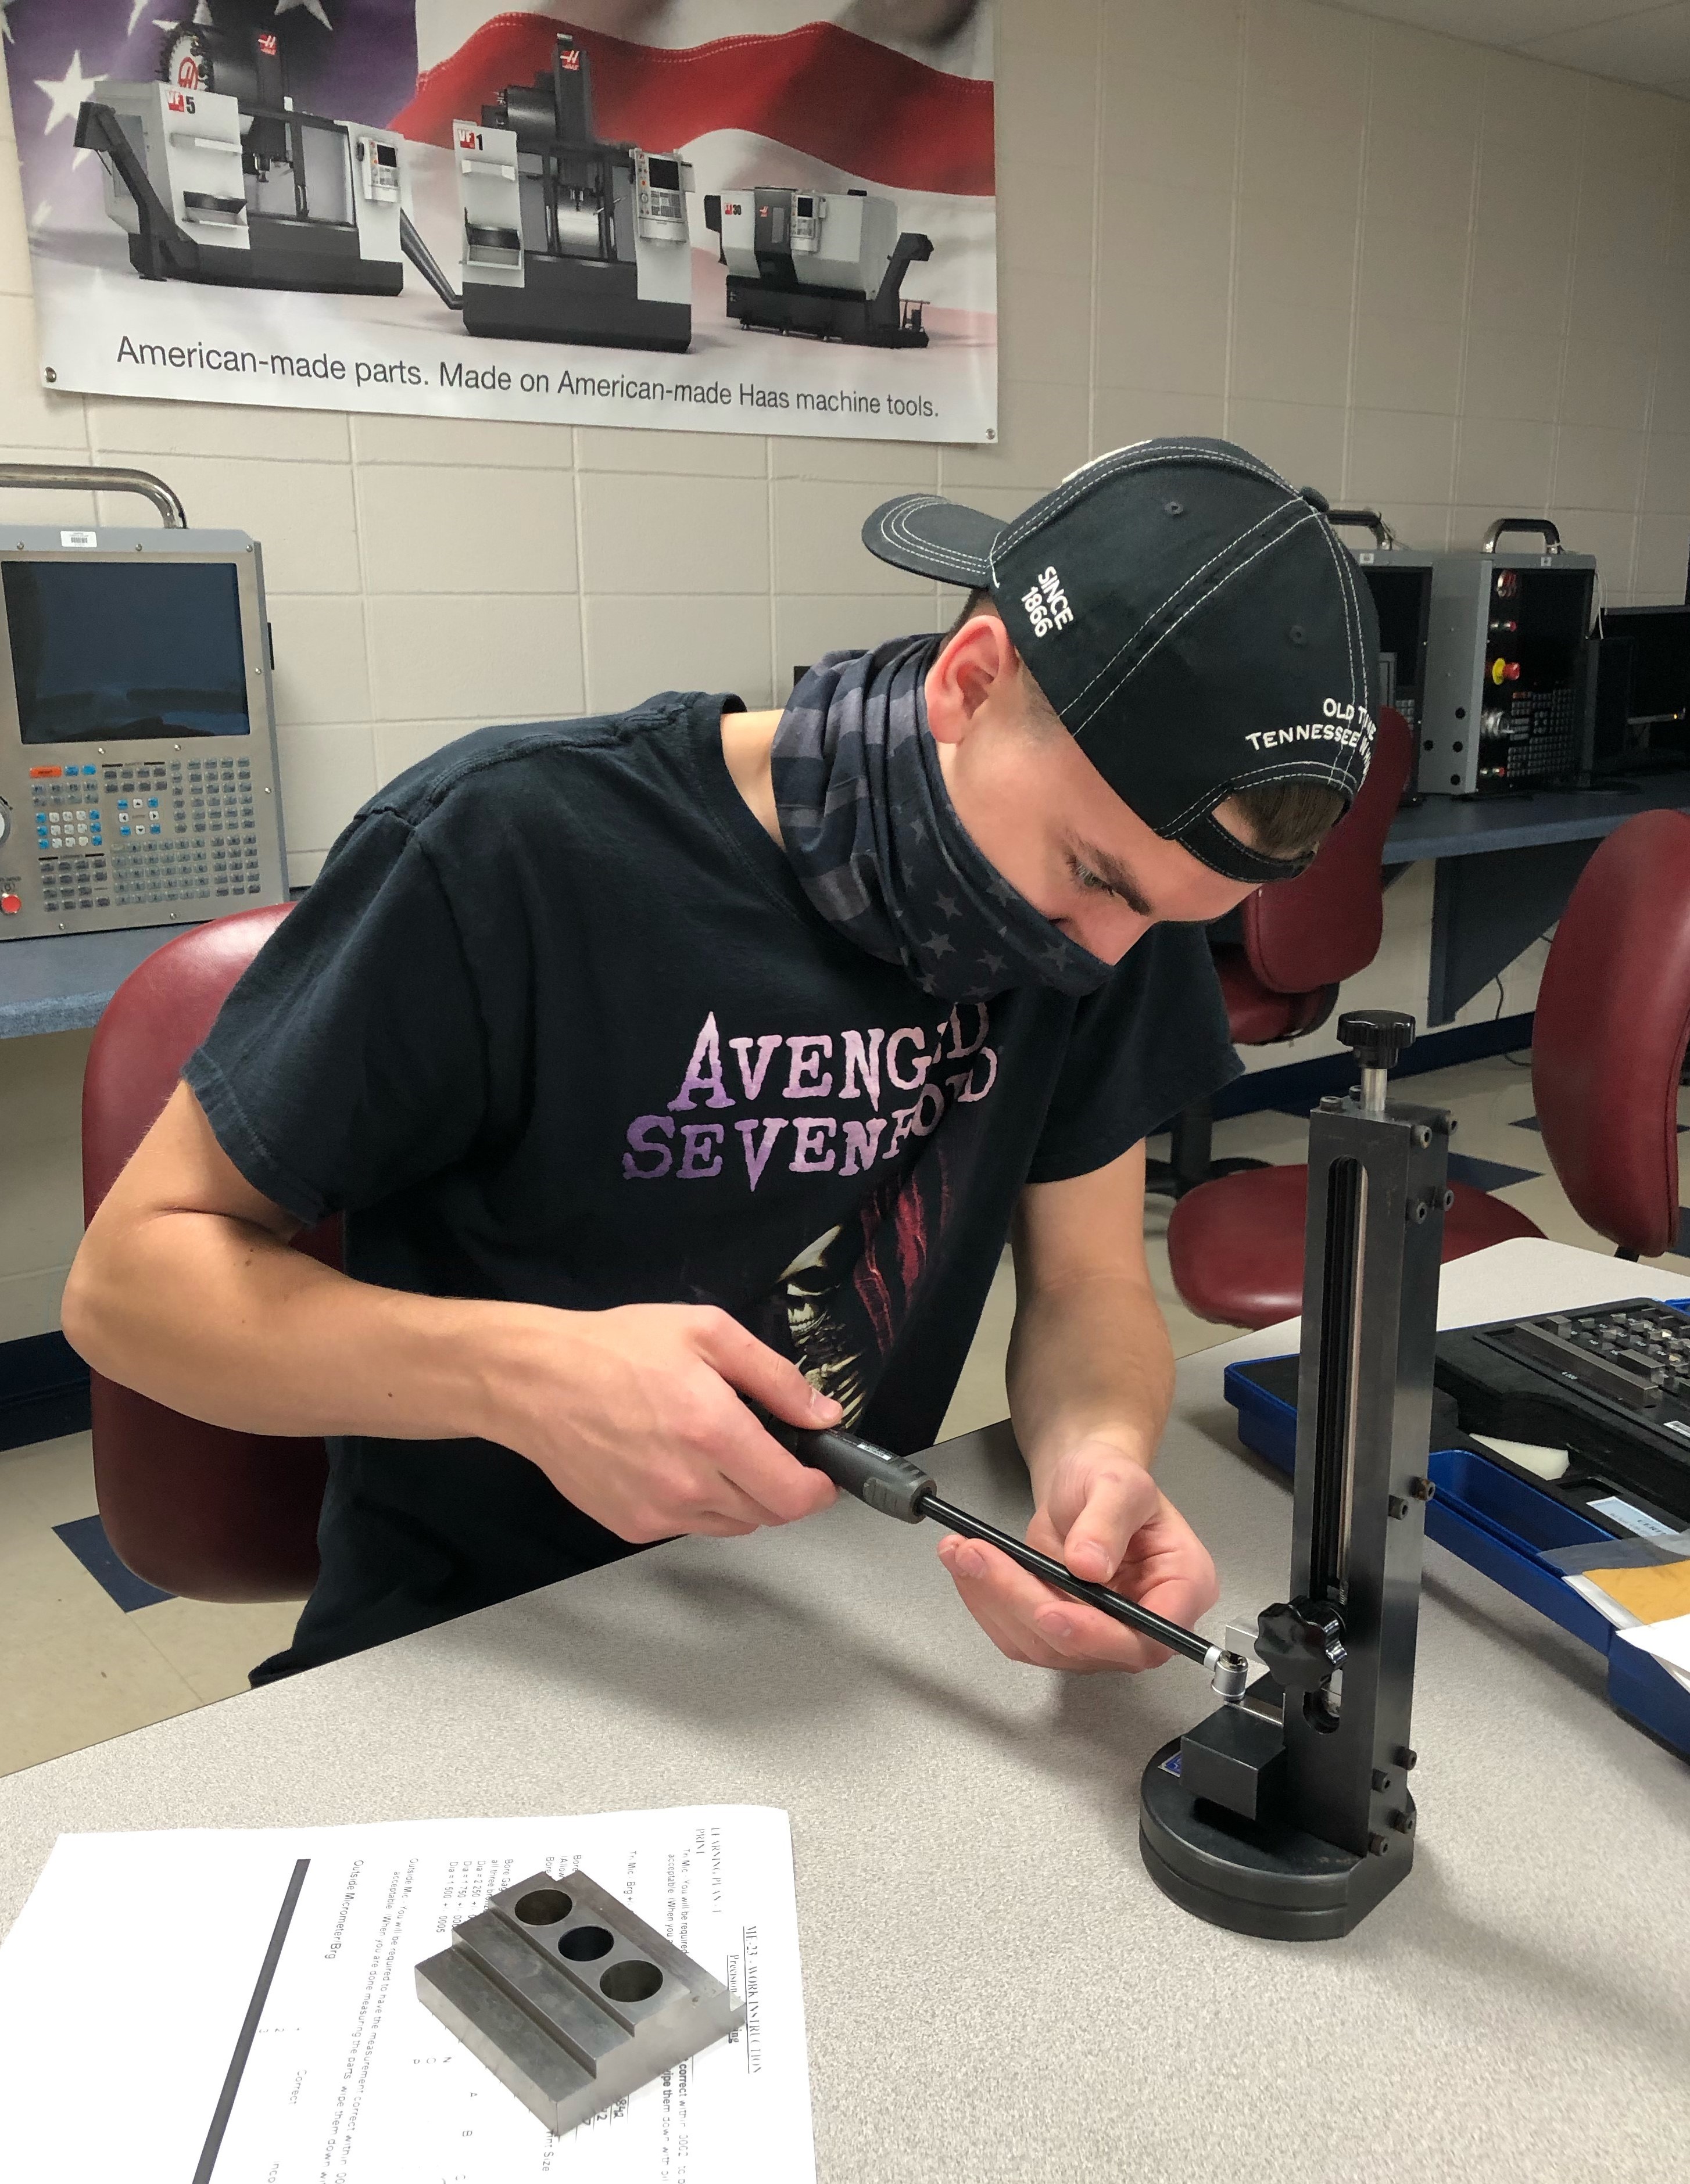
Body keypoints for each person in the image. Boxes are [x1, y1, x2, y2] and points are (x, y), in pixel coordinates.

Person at [63, 437, 1379, 1684]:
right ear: (969, 683)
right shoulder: (511, 849)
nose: (1100, 949)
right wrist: (524, 1377)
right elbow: (128, 1288)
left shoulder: (1114, 899)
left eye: (1158, 914)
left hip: (826, 1617)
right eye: (1089, 876)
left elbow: (1090, 1281)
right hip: (477, 1642)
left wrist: (1096, 1458)